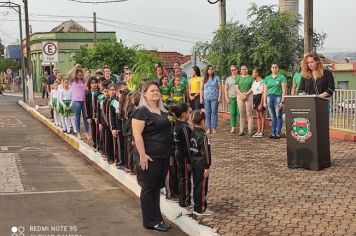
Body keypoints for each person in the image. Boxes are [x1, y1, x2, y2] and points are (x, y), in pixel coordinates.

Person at [132, 81, 173, 232]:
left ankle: (157, 219)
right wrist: (142, 155)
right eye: (152, 90)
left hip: (163, 155)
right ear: (144, 93)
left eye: (157, 90)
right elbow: (137, 135)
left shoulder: (164, 110)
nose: (156, 92)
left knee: (156, 189)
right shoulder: (141, 111)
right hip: (149, 156)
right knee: (148, 188)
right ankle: (150, 221)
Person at [190, 111, 212, 216]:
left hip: (194, 163)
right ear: (203, 121)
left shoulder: (192, 132)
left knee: (196, 185)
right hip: (201, 165)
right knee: (202, 187)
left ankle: (197, 205)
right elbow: (206, 153)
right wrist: (207, 167)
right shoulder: (203, 136)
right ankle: (200, 209)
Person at [170, 103, 192, 207]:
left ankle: (181, 198)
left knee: (181, 176)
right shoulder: (184, 127)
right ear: (184, 114)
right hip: (183, 155)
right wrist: (189, 161)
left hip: (177, 153)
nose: (190, 114)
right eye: (189, 112)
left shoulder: (176, 124)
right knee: (185, 178)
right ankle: (185, 200)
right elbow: (188, 146)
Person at [263, 63, 287, 139]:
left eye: (276, 67)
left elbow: (284, 90)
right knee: (273, 116)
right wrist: (264, 101)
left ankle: (278, 133)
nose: (274, 68)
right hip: (269, 97)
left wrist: (282, 101)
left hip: (278, 97)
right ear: (271, 69)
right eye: (273, 67)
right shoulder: (267, 78)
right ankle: (273, 133)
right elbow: (265, 90)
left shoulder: (281, 77)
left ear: (278, 68)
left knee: (278, 115)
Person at [200, 65, 221, 134]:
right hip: (206, 98)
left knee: (214, 113)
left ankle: (214, 128)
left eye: (212, 69)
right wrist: (201, 98)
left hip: (214, 98)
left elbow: (220, 88)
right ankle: (208, 128)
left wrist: (219, 97)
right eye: (209, 69)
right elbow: (201, 89)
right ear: (207, 70)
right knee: (208, 113)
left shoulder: (216, 78)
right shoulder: (204, 79)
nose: (211, 70)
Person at [98, 80, 114, 163]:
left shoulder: (113, 100)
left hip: (112, 125)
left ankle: (112, 156)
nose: (107, 93)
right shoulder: (103, 100)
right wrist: (100, 122)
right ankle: (109, 156)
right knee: (107, 141)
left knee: (112, 141)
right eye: (106, 91)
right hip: (106, 124)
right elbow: (101, 112)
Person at [71, 68, 89, 140]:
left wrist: (82, 70)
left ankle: (87, 132)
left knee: (86, 117)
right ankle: (78, 133)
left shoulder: (83, 80)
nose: (80, 76)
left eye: (81, 75)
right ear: (76, 75)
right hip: (76, 101)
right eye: (78, 75)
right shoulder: (73, 80)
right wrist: (75, 67)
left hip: (83, 101)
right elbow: (69, 74)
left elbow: (87, 74)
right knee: (77, 117)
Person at [236, 65, 254, 136]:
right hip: (240, 96)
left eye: (245, 69)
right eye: (243, 69)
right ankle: (241, 131)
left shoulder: (251, 78)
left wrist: (246, 94)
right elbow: (237, 88)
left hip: (249, 96)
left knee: (249, 113)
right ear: (241, 70)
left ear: (247, 70)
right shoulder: (238, 78)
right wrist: (241, 95)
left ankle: (250, 131)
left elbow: (252, 87)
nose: (244, 70)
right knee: (242, 114)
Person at [224, 65, 240, 133]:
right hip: (232, 97)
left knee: (240, 113)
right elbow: (225, 89)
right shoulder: (228, 79)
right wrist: (226, 98)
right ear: (230, 71)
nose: (233, 71)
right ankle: (233, 127)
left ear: (237, 70)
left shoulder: (240, 77)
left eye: (235, 69)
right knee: (233, 113)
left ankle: (240, 127)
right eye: (232, 70)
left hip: (240, 97)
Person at [85, 77, 99, 150]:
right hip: (91, 115)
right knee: (93, 129)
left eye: (95, 83)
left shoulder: (99, 92)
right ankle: (95, 144)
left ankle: (99, 145)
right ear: (89, 84)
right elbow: (86, 106)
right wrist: (88, 117)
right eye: (92, 83)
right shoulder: (87, 93)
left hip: (98, 115)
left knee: (99, 130)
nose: (94, 85)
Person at [251, 68, 265, 138]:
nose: (252, 74)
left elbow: (263, 93)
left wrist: (261, 103)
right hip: (255, 98)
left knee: (261, 115)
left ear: (257, 73)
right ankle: (258, 130)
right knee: (257, 116)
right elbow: (252, 91)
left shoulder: (263, 81)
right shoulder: (254, 82)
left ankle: (262, 131)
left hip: (260, 98)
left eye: (253, 73)